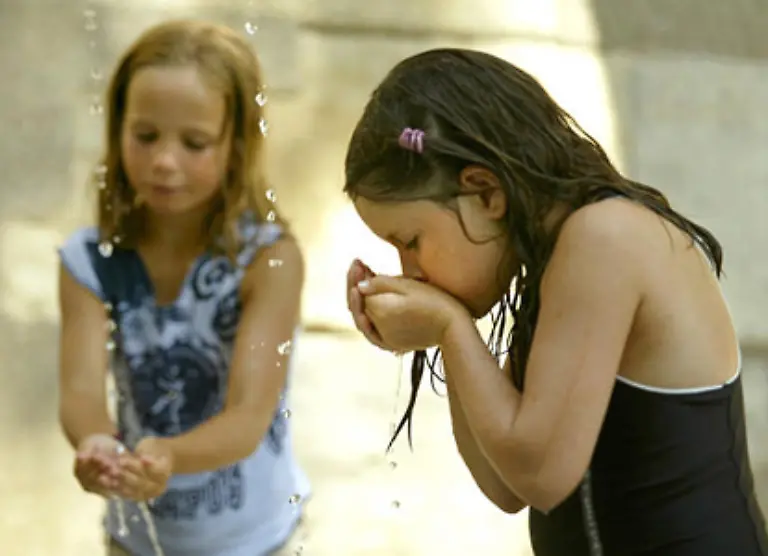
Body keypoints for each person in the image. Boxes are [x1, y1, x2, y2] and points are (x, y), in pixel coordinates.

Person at [344, 48, 768, 555]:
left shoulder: (605, 238)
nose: (410, 270)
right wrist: (449, 325)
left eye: (410, 241)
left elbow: (542, 473)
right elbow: (506, 483)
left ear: (484, 193)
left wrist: (449, 328)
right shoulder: (556, 257)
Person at [57, 20, 310, 556]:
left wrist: (164, 455)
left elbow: (247, 416)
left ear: (235, 147)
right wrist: (97, 445)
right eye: (145, 136)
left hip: (255, 541)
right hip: (136, 539)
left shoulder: (268, 260)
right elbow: (81, 394)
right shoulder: (89, 262)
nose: (164, 161)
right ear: (118, 128)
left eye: (194, 143)